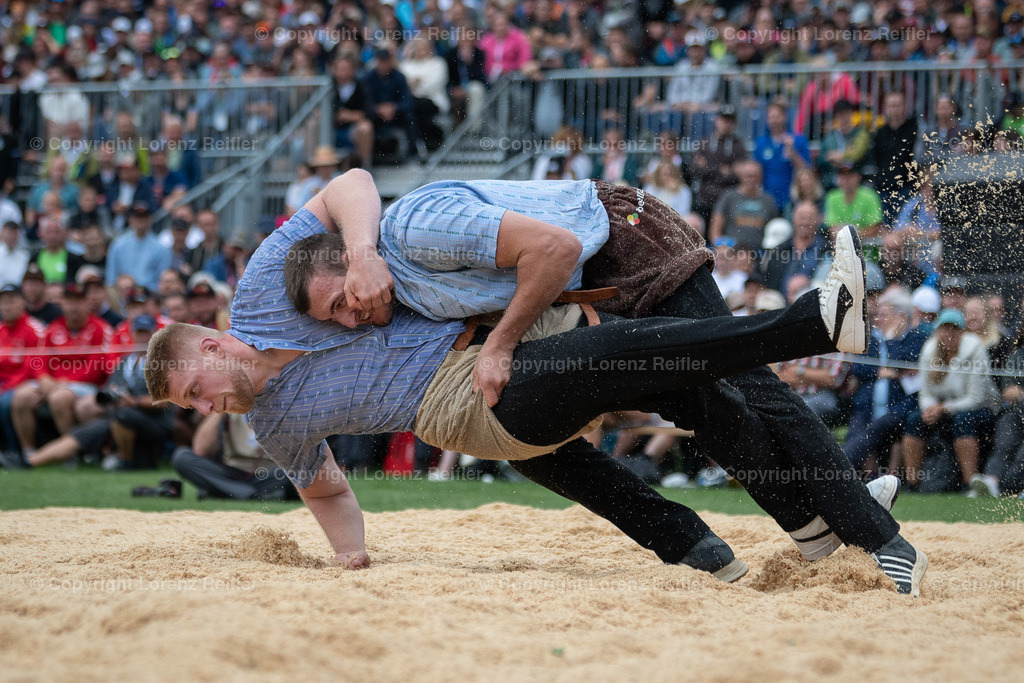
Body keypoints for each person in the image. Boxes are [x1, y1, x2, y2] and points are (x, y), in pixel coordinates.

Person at [149, 174, 925, 595]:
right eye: (191, 407)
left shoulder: (340, 259)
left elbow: (351, 182)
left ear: (216, 341)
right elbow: (323, 489)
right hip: (487, 358)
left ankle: (833, 507)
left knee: (713, 385)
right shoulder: (279, 413)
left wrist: (361, 251)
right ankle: (784, 520)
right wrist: (351, 560)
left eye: (194, 389)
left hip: (610, 245)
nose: (356, 318)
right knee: (646, 393)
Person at [3, 315, 171, 470]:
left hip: (151, 419)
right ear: (133, 335)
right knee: (79, 435)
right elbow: (111, 390)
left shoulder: (162, 363)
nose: (143, 338)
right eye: (139, 333)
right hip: (121, 415)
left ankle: (123, 461)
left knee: (122, 416)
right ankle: (29, 461)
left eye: (147, 334)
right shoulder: (125, 361)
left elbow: (165, 401)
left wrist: (133, 401)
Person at [901, 310, 1001, 492]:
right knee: (914, 420)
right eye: (945, 329)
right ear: (938, 331)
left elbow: (976, 398)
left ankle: (969, 483)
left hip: (982, 409)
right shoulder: (929, 350)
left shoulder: (975, 349)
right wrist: (930, 409)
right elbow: (925, 393)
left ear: (962, 332)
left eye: (954, 329)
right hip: (944, 408)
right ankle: (912, 483)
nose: (949, 334)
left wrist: (944, 408)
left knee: (963, 420)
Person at [172, 412, 298, 500]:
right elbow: (200, 450)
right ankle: (252, 495)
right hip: (230, 473)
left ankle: (228, 492)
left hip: (270, 475)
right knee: (182, 457)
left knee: (303, 469)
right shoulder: (230, 405)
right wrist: (220, 409)